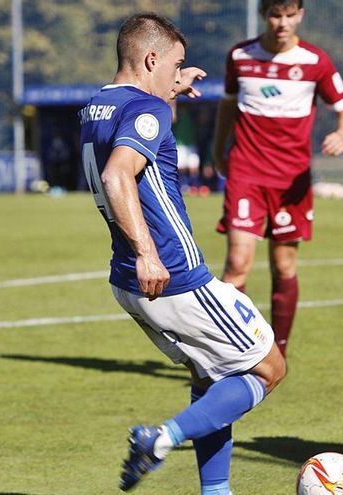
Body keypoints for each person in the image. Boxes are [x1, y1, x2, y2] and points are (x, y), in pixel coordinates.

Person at [78, 13, 286, 494]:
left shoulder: (97, 107)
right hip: (174, 275)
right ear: (151, 59)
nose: (180, 73)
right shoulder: (147, 113)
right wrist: (148, 252)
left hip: (127, 283)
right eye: (176, 63)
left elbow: (136, 111)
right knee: (269, 368)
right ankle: (162, 439)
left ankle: (216, 491)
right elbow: (117, 175)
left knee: (213, 377)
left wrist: (172, 84)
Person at [212, 0, 343, 356]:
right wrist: (218, 150)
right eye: (276, 15)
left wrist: (342, 134)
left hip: (292, 180)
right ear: (264, 15)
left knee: (283, 264)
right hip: (246, 171)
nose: (282, 23)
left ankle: (278, 350)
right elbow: (228, 106)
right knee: (236, 264)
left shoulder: (315, 62)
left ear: (301, 15)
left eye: (290, 15)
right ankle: (236, 352)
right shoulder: (240, 57)